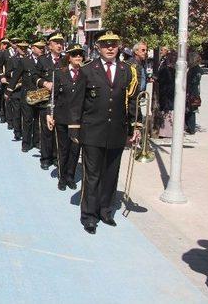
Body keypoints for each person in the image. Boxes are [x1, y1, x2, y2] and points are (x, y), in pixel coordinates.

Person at [69, 31, 139, 235]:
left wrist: (136, 127)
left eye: (114, 44)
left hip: (117, 131)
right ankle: (89, 216)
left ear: (118, 46)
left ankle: (105, 210)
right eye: (106, 44)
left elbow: (133, 101)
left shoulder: (128, 71)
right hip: (92, 130)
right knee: (92, 175)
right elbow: (77, 101)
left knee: (111, 173)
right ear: (98, 47)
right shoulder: (88, 70)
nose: (110, 48)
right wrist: (75, 126)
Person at [46, 44, 84, 191]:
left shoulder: (86, 74)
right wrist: (50, 114)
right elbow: (53, 96)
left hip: (78, 119)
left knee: (75, 149)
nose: (78, 57)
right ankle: (62, 178)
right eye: (75, 54)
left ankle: (70, 176)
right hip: (62, 117)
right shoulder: (59, 73)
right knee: (63, 148)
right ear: (69, 57)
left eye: (80, 54)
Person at [34, 32, 66, 170]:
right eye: (57, 42)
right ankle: (45, 157)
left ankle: (55, 157)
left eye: (61, 42)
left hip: (62, 101)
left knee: (59, 130)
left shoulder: (66, 59)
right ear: (50, 45)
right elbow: (34, 76)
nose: (60, 45)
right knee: (47, 130)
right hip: (46, 100)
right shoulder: (43, 60)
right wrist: (44, 83)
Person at [157, 51, 177, 138]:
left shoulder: (165, 70)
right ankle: (168, 131)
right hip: (170, 92)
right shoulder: (174, 70)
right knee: (169, 109)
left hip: (166, 92)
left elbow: (159, 80)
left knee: (166, 109)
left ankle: (165, 132)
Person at [185, 51, 202, 135]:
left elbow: (193, 81)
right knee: (189, 110)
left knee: (191, 110)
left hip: (192, 92)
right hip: (192, 91)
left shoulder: (195, 69)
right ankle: (189, 127)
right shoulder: (195, 68)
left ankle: (191, 128)